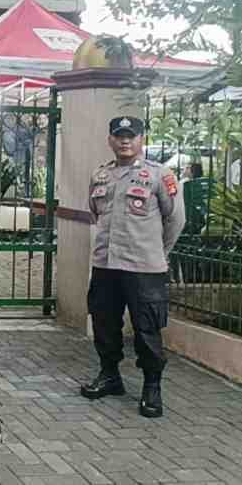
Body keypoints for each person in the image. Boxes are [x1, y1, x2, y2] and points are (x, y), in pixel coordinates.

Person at [81, 116, 185, 418]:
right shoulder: (100, 175)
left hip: (144, 268)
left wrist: (158, 252)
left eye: (131, 135)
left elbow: (176, 220)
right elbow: (94, 213)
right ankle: (110, 376)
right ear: (110, 140)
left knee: (147, 328)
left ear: (142, 140)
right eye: (119, 136)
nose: (125, 141)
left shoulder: (159, 175)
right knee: (104, 322)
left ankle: (152, 387)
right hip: (106, 265)